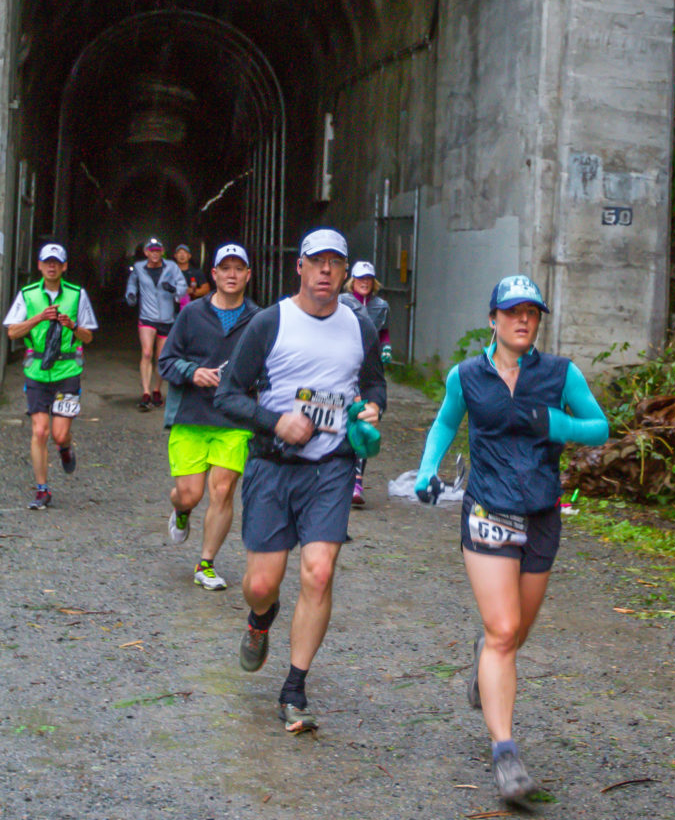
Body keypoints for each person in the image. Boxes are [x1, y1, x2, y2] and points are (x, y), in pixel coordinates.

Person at [414, 274, 608, 802]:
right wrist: (427, 470)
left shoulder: (561, 374)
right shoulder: (466, 376)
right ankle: (506, 755)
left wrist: (559, 424)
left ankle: (485, 659)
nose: (524, 320)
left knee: (513, 632)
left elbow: (599, 427)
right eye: (513, 311)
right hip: (488, 510)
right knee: (503, 630)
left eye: (532, 312)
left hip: (541, 514)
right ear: (492, 319)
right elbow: (444, 424)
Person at [214, 227, 386, 733]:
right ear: (300, 266)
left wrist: (374, 407)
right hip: (272, 465)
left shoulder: (359, 326)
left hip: (331, 467)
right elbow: (227, 395)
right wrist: (275, 421)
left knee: (318, 572)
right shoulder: (270, 323)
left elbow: (374, 383)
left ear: (346, 272)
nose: (326, 271)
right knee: (260, 585)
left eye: (336, 262)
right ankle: (260, 619)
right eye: (317, 261)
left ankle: (294, 690)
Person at [159, 243, 259, 590]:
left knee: (223, 489)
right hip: (191, 415)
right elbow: (166, 361)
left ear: (248, 275)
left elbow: (273, 367)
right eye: (225, 268)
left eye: (238, 269)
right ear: (213, 274)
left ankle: (206, 564)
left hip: (235, 420)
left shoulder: (259, 319)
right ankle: (181, 510)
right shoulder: (191, 314)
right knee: (189, 494)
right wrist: (193, 372)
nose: (232, 275)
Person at [3, 242, 98, 509]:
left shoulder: (77, 294)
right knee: (40, 430)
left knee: (59, 434)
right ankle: (42, 490)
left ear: (64, 266)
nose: (51, 266)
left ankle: (65, 447)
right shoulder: (28, 294)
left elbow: (88, 337)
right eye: (47, 262)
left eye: (56, 262)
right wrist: (39, 318)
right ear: (39, 266)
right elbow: (12, 332)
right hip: (37, 371)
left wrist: (73, 326)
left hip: (67, 372)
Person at [341, 260, 391, 505]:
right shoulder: (342, 302)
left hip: (369, 366)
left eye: (368, 279)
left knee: (364, 421)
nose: (364, 283)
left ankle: (357, 482)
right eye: (360, 278)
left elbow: (384, 332)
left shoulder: (380, 306)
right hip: (344, 364)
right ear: (352, 280)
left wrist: (386, 347)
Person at [125, 237, 186, 410]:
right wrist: (131, 295)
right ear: (146, 253)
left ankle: (157, 389)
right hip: (147, 316)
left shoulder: (171, 267)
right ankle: (146, 392)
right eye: (151, 251)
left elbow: (182, 285)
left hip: (166, 318)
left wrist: (173, 290)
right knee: (146, 353)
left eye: (158, 251)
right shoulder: (139, 268)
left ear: (162, 252)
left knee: (160, 357)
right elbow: (132, 283)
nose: (155, 254)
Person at [173, 244, 210, 310]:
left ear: (189, 256)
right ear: (175, 256)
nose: (182, 255)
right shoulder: (170, 272)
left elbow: (206, 289)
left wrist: (192, 291)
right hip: (172, 309)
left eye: (185, 253)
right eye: (180, 253)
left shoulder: (196, 272)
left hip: (191, 308)